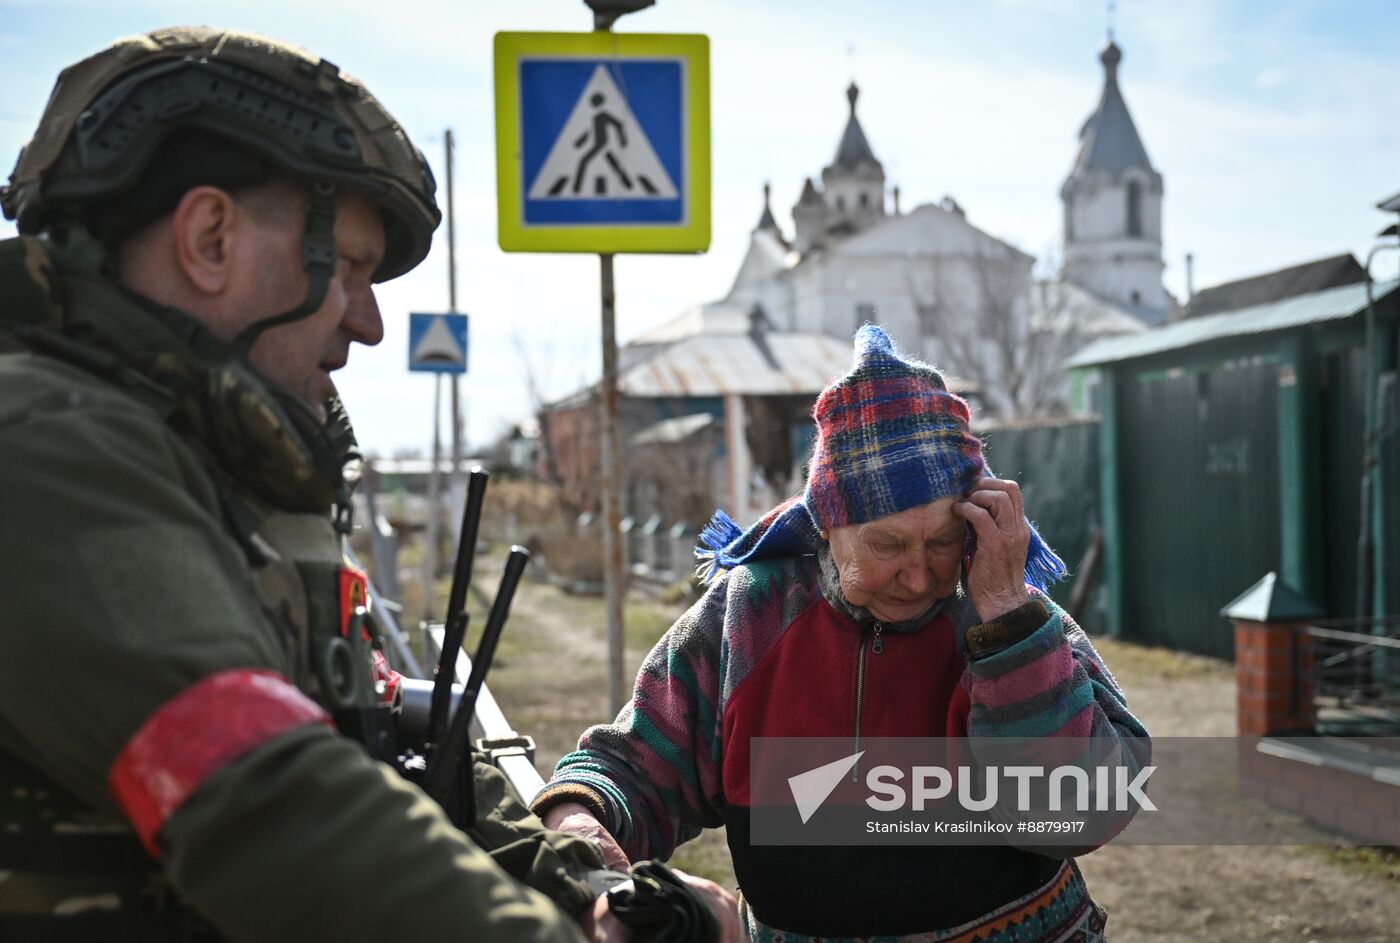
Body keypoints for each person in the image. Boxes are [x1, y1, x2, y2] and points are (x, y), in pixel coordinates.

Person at [0, 26, 742, 942]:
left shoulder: (221, 474)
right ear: (209, 237)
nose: (371, 323)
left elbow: (388, 741)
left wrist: (587, 887)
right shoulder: (48, 450)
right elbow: (273, 805)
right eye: (347, 266)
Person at [533, 324, 1151, 942]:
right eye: (887, 544)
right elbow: (636, 764)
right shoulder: (751, 616)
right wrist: (579, 815)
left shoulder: (1005, 608)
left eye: (941, 541)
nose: (917, 575)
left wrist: (1011, 623)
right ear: (825, 523)